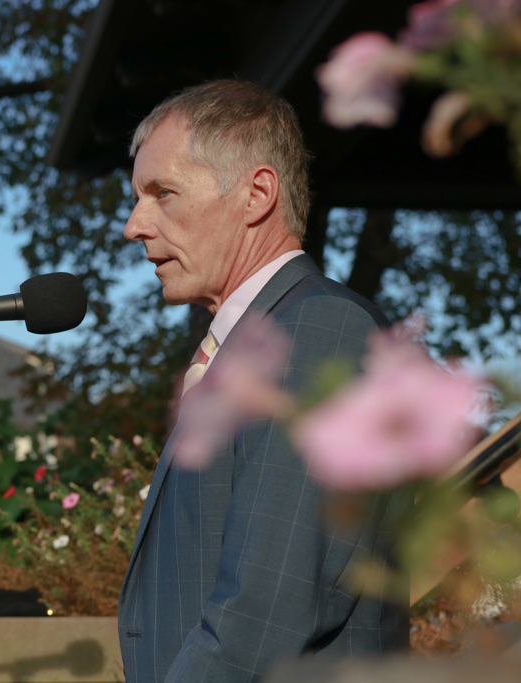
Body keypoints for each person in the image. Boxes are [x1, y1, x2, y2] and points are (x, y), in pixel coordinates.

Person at [117, 80, 409, 682]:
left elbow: (264, 613)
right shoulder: (259, 344)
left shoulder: (317, 330)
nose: (133, 225)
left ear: (256, 194)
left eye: (161, 193)